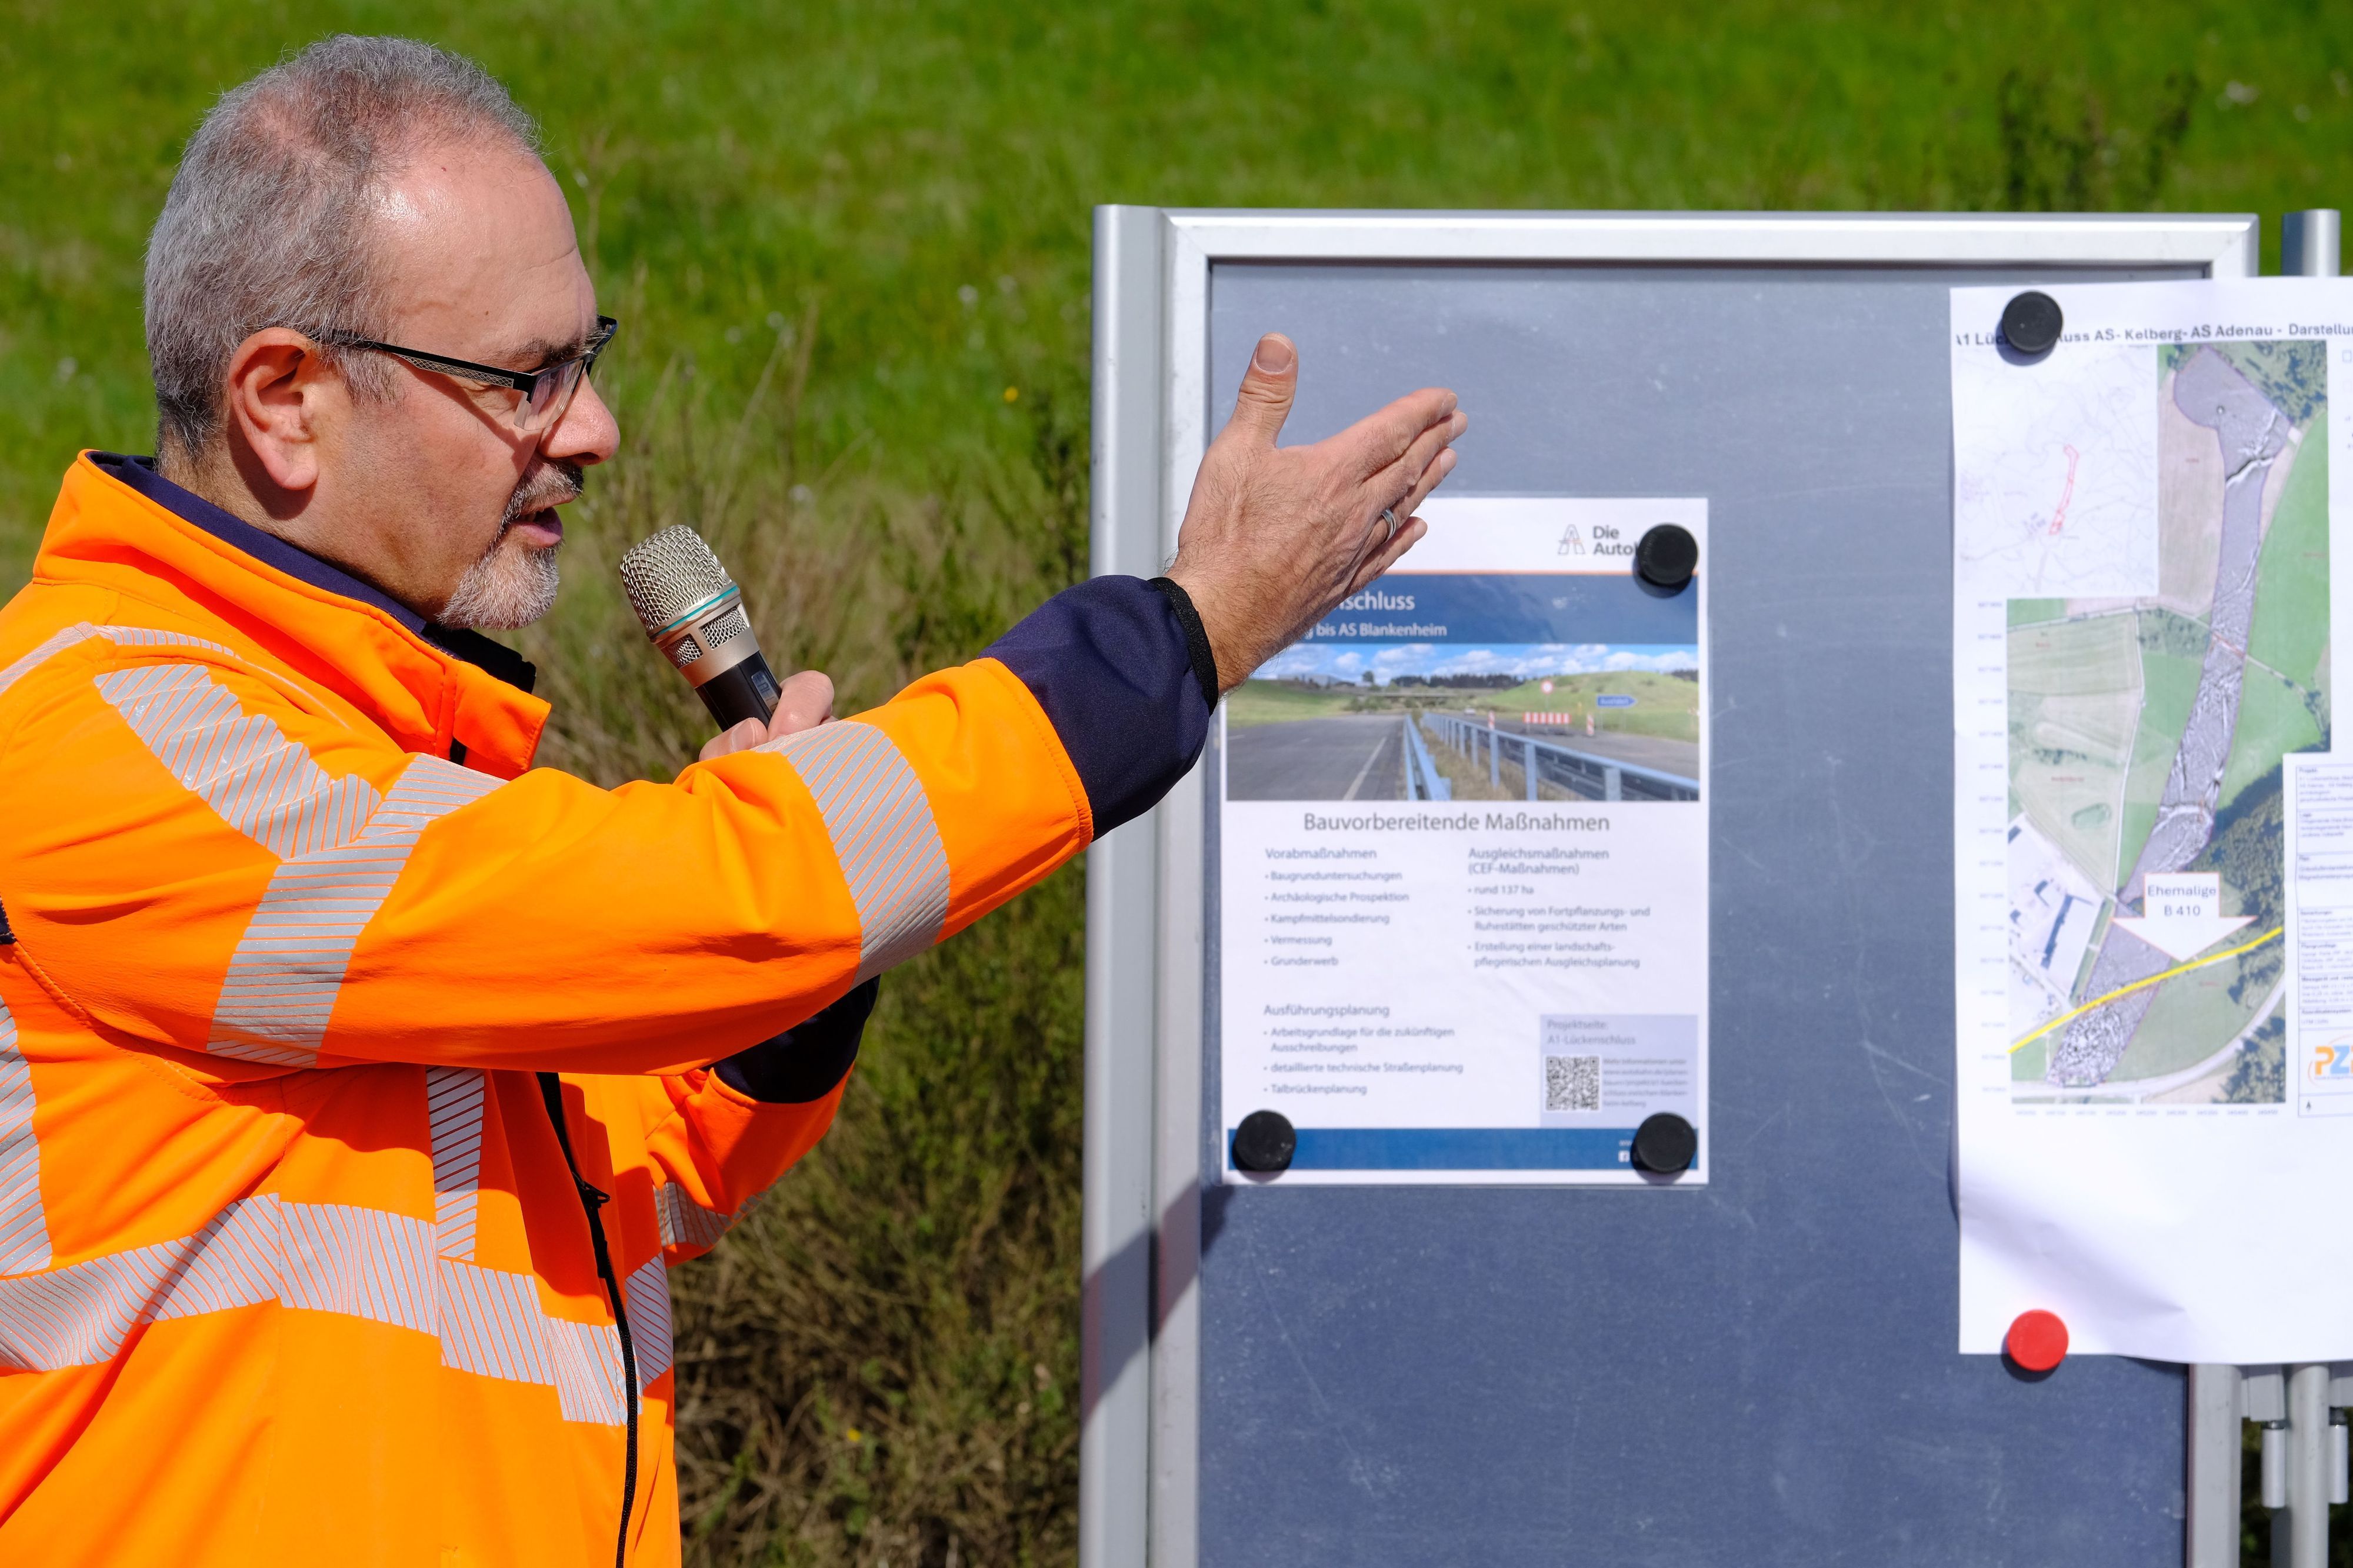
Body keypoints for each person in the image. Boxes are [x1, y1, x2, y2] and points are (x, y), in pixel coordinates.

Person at [0, 35, 1463, 1567]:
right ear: (287, 400)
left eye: (589, 358)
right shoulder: (112, 738)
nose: (592, 431)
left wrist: (781, 1000)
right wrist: (1182, 635)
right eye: (525, 379)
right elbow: (716, 896)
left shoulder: (366, 767)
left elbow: (607, 1186)